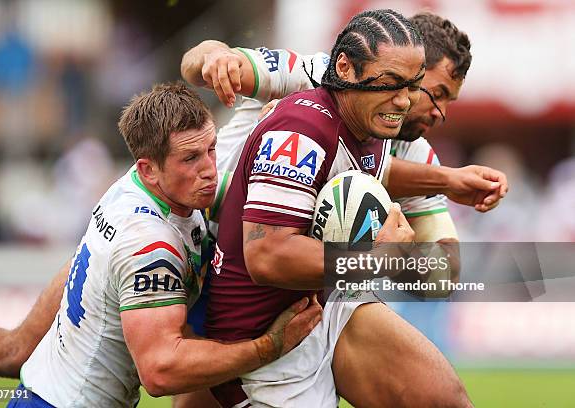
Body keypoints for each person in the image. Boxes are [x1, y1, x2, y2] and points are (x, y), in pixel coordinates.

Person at [191, 9, 483, 407]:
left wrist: (441, 193)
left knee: (444, 400)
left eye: (412, 85)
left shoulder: (379, 127)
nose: (405, 99)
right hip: (236, 299)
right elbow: (267, 254)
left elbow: (440, 272)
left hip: (318, 303)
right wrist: (380, 257)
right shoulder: (303, 118)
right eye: (394, 84)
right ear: (344, 68)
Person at [0, 82, 322, 407]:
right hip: (64, 404)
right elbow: (161, 371)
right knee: (5, 351)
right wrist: (269, 347)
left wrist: (273, 135)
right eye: (191, 158)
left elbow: (242, 195)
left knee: (7, 350)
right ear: (149, 169)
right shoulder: (150, 245)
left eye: (211, 148)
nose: (209, 169)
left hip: (48, 386)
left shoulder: (148, 185)